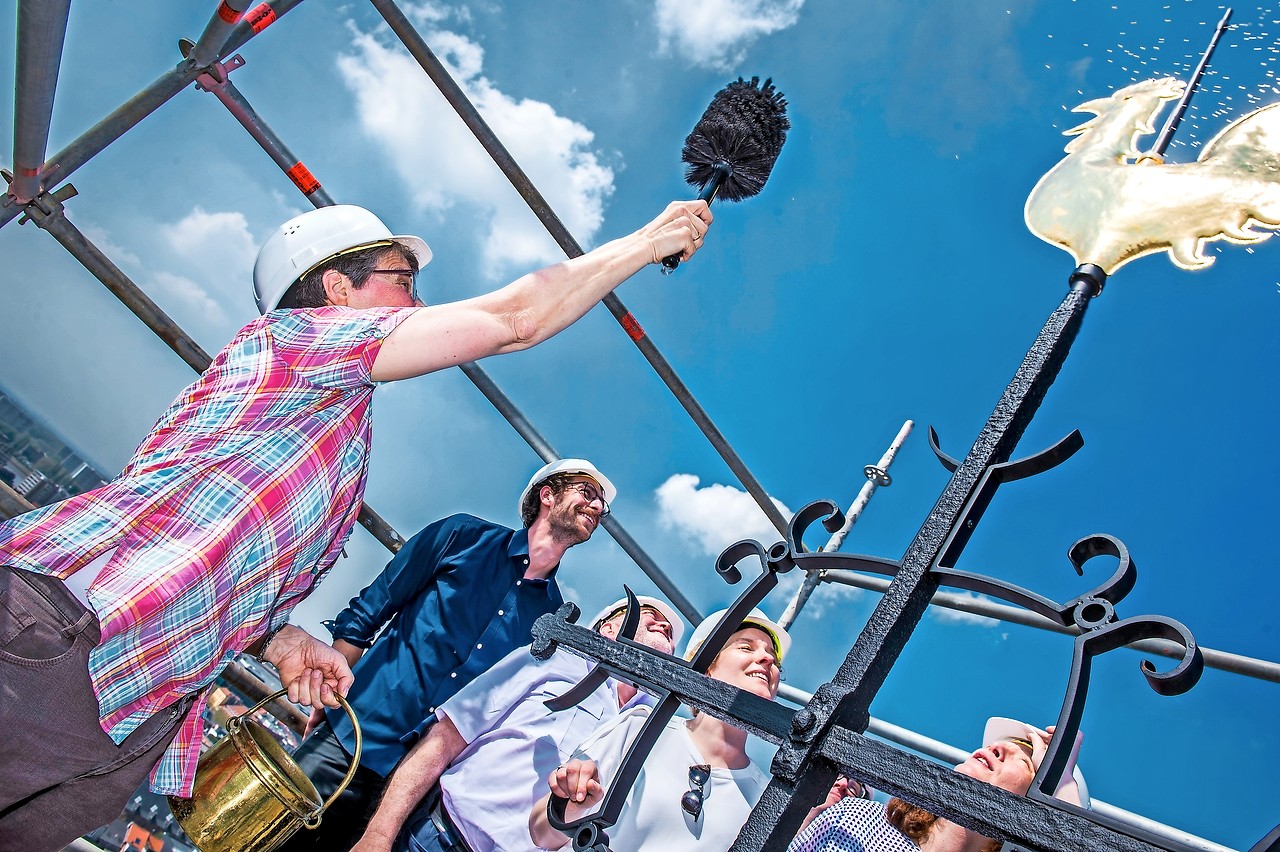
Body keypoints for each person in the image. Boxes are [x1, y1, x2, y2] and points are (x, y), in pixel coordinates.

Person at [0, 199, 712, 851]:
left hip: (128, 698)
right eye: (402, 279)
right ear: (337, 289)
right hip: (69, 637)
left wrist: (282, 641)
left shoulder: (321, 421)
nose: (418, 301)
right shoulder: (297, 341)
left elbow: (218, 550)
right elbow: (515, 319)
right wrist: (646, 242)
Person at [280, 459, 620, 852]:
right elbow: (369, 611)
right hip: (353, 736)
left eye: (601, 504)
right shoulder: (461, 536)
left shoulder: (550, 621)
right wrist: (326, 700)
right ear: (547, 494)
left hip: (413, 791)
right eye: (587, 492)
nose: (596, 507)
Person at [347, 594, 684, 852]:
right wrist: (378, 835)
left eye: (670, 633)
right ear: (608, 628)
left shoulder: (654, 734)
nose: (665, 626)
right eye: (652, 617)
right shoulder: (554, 660)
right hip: (437, 838)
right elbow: (448, 736)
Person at [529, 608, 791, 852]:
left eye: (775, 660)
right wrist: (569, 806)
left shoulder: (765, 797)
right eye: (746, 647)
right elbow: (541, 833)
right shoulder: (640, 727)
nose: (768, 659)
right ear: (707, 668)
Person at [788, 717, 1087, 852]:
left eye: (1026, 758)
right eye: (1001, 743)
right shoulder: (860, 820)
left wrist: (1063, 791)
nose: (998, 748)